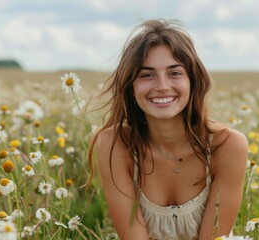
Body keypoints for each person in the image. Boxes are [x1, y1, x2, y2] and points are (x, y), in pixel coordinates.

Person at [87, 19, 248, 240]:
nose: (162, 86)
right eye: (147, 75)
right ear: (131, 88)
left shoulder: (228, 146)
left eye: (174, 73)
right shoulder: (113, 145)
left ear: (193, 82)